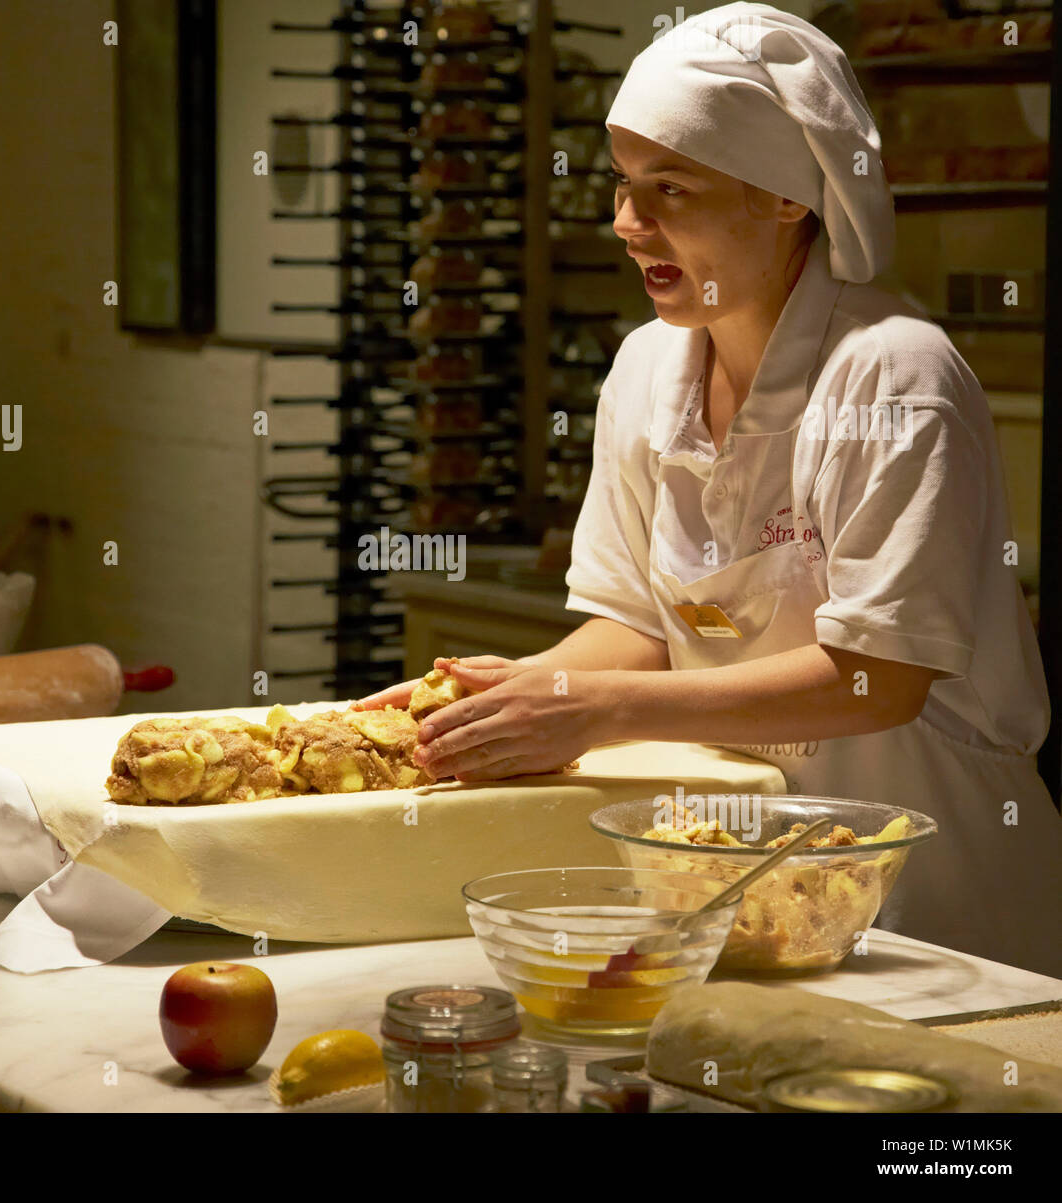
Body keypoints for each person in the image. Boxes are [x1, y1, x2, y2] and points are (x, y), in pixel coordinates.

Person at [356, 3, 1062, 977]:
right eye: (621, 185)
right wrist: (500, 699)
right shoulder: (648, 369)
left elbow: (879, 677)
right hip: (746, 873)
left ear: (784, 197)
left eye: (670, 189)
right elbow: (638, 625)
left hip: (938, 894)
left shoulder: (891, 377)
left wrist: (592, 709)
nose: (624, 222)